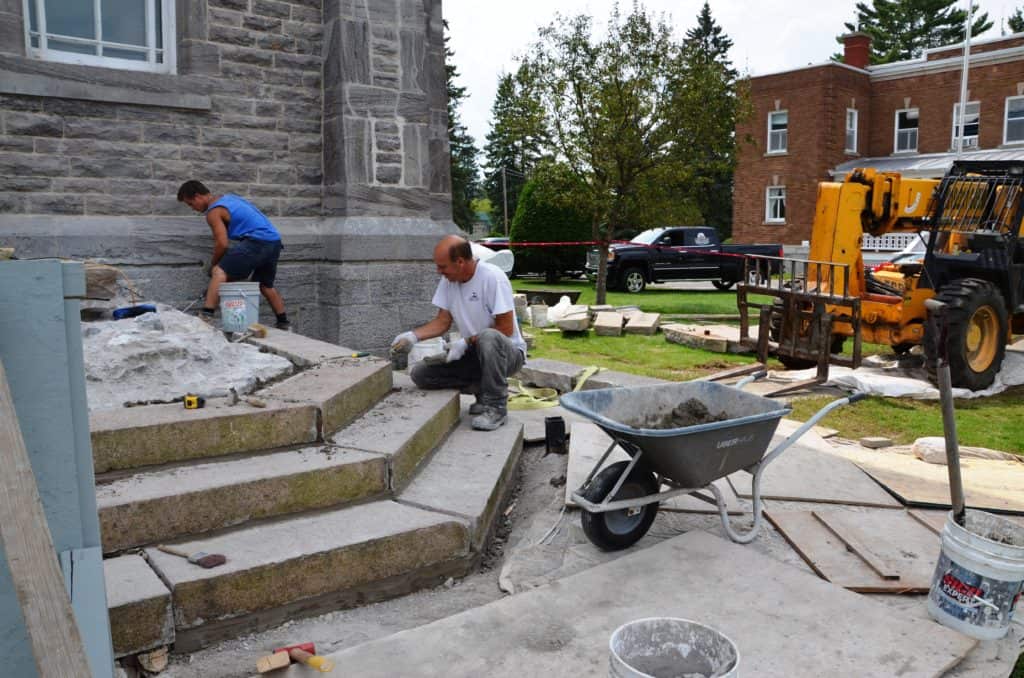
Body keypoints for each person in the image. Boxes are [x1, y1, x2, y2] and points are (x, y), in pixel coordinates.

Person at [392, 235, 527, 431]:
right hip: (475, 354)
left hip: (508, 355)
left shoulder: (492, 277)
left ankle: (496, 407)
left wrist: (466, 342)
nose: (439, 272)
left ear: (461, 262)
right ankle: (481, 389)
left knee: (487, 337)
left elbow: (505, 329)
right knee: (421, 374)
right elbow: (442, 321)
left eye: (443, 266)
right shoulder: (449, 281)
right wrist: (412, 336)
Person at [177, 180, 290, 330]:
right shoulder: (228, 198)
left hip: (256, 241)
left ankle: (206, 316)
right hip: (274, 241)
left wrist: (214, 266)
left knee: (219, 272)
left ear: (198, 196)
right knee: (265, 285)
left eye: (191, 204)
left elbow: (222, 243)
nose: (193, 208)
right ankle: (283, 323)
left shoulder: (213, 212)